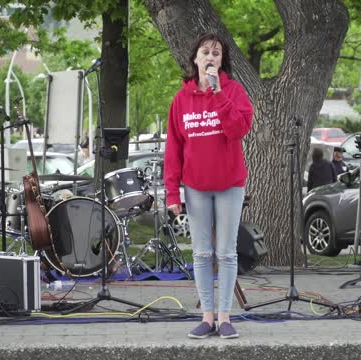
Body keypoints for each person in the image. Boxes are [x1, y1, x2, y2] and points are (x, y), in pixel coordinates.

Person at [163, 33, 253, 339]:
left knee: (226, 253)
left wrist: (217, 95)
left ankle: (225, 317)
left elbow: (238, 128)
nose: (210, 57)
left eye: (216, 53)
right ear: (195, 59)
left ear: (221, 60)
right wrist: (172, 192)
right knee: (201, 253)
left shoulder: (235, 92)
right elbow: (173, 149)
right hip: (196, 186)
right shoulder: (181, 100)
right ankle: (206, 317)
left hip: (229, 184)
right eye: (205, 52)